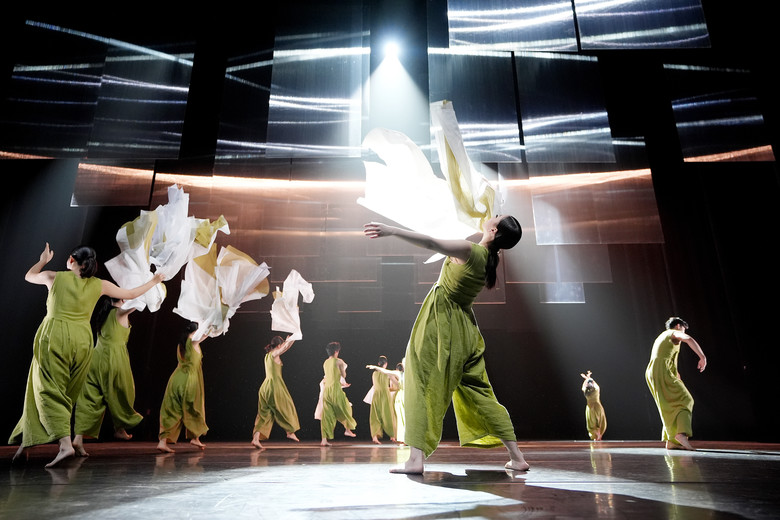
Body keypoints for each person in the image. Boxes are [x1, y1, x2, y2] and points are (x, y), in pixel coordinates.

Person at [363, 217, 529, 474]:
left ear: (494, 229)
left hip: (442, 325)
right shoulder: (489, 259)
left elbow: (431, 242)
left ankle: (415, 460)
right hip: (467, 331)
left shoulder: (470, 250)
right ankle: (517, 457)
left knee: (420, 383)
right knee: (481, 393)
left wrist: (392, 230)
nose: (491, 215)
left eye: (495, 216)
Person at [9, 243, 164, 467]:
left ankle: (65, 445)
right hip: (82, 341)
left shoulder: (54, 277)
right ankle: (26, 444)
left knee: (46, 390)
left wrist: (43, 260)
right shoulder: (100, 285)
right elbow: (131, 294)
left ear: (72, 260)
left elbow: (29, 276)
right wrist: (154, 281)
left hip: (55, 337)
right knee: (64, 392)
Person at [72, 297, 143, 456]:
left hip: (94, 359)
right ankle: (120, 428)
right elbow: (139, 303)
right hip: (113, 359)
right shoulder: (120, 312)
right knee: (124, 391)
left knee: (90, 400)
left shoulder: (103, 315)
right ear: (122, 299)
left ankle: (78, 439)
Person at [645, 317, 707, 451]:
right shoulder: (673, 333)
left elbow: (666, 356)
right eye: (683, 329)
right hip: (661, 371)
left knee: (668, 405)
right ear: (678, 326)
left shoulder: (662, 336)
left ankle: (672, 441)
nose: (683, 332)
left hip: (653, 371)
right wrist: (702, 357)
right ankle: (681, 434)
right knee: (686, 399)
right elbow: (688, 339)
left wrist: (675, 373)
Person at [157, 321, 209, 453]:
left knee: (172, 409)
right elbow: (207, 334)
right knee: (193, 408)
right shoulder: (193, 342)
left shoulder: (182, 343)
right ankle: (195, 437)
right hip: (188, 380)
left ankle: (163, 441)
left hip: (176, 378)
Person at [251, 335, 301, 449]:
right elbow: (285, 347)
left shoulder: (267, 356)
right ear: (278, 345)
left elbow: (286, 347)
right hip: (274, 386)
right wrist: (292, 338)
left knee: (264, 414)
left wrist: (292, 339)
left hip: (265, 387)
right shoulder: (274, 354)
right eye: (281, 345)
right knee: (286, 406)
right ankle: (289, 431)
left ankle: (255, 439)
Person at [319, 341, 357, 446]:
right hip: (335, 390)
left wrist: (342, 384)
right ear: (336, 351)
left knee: (327, 416)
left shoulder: (325, 362)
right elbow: (343, 375)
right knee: (346, 408)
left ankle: (324, 440)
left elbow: (330, 378)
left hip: (327, 391)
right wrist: (342, 369)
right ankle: (347, 429)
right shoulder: (339, 361)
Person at [367, 359, 405, 444]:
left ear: (378, 363)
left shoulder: (374, 374)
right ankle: (393, 436)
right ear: (386, 364)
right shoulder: (387, 373)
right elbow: (396, 384)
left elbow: (375, 385)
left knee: (375, 416)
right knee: (388, 415)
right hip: (385, 395)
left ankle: (375, 436)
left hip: (376, 394)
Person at [580, 371, 606, 441]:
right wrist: (588, 378)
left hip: (590, 408)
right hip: (597, 406)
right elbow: (595, 384)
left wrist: (586, 379)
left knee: (592, 423)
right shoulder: (596, 390)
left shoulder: (586, 393)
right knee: (599, 421)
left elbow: (583, 386)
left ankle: (595, 435)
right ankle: (599, 434)